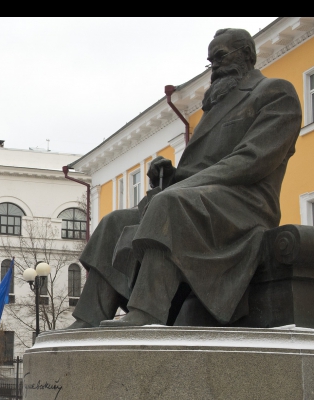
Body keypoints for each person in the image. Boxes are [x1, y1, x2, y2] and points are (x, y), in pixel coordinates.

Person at [69, 28, 303, 330]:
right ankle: (87, 319)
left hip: (244, 205)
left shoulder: (275, 93)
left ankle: (148, 313)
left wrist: (182, 187)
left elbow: (252, 160)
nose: (214, 66)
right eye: (210, 61)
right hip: (200, 199)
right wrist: (170, 174)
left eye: (220, 57)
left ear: (246, 53)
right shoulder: (214, 105)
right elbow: (202, 166)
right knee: (114, 221)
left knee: (170, 204)